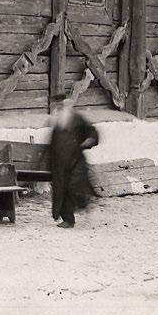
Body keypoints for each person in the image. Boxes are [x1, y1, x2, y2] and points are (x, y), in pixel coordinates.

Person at [49, 94, 99, 229]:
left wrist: (89, 141)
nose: (58, 107)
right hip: (59, 163)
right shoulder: (57, 121)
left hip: (75, 160)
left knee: (74, 186)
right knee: (62, 190)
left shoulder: (77, 119)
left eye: (60, 104)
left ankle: (85, 201)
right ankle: (68, 220)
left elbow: (92, 133)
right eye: (55, 104)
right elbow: (53, 143)